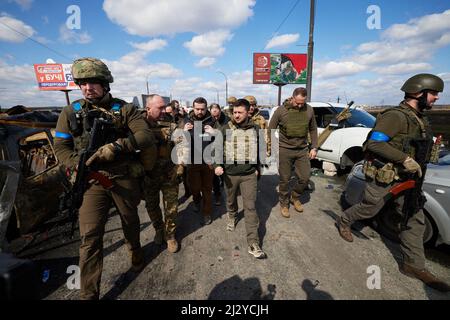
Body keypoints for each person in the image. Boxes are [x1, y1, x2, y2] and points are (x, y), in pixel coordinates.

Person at [337, 74, 450, 292]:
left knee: (413, 219)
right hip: (387, 176)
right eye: (434, 93)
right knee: (370, 208)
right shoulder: (395, 116)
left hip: (410, 180)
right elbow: (374, 144)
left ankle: (413, 265)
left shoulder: (420, 118)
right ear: (419, 93)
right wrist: (404, 159)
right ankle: (344, 219)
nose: (436, 98)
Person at [54, 58, 154, 300]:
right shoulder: (70, 112)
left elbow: (145, 135)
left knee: (130, 221)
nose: (88, 88)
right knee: (89, 238)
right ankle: (89, 294)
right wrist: (77, 166)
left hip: (122, 178)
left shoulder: (124, 109)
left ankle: (135, 250)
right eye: (83, 83)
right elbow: (61, 147)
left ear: (106, 84)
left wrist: (119, 146)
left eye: (94, 83)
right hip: (91, 182)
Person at [213, 98, 266, 259]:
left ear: (248, 112)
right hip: (230, 174)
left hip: (249, 174)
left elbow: (260, 150)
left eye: (239, 112)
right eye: (234, 112)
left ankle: (253, 243)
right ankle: (232, 215)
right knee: (230, 200)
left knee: (250, 207)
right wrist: (217, 165)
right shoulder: (225, 129)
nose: (236, 115)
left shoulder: (256, 129)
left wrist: (258, 169)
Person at [142, 95, 184, 253]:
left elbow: (183, 145)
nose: (163, 110)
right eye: (159, 108)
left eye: (164, 106)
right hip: (148, 176)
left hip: (168, 173)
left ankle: (170, 235)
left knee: (171, 208)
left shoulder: (171, 124)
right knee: (152, 206)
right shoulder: (138, 125)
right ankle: (159, 230)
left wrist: (180, 166)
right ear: (148, 109)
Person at [268, 87, 318, 218]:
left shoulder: (309, 110)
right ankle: (284, 203)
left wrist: (314, 147)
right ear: (292, 97)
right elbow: (271, 129)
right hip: (284, 149)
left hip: (302, 150)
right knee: (284, 179)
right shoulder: (281, 110)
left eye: (302, 103)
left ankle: (294, 197)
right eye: (297, 102)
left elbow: (313, 129)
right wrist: (274, 148)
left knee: (305, 177)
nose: (300, 105)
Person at [181, 97, 216, 225]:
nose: (200, 111)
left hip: (208, 163)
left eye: (202, 109)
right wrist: (183, 132)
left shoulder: (212, 121)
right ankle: (196, 200)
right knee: (194, 187)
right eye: (197, 109)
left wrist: (215, 133)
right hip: (192, 162)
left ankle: (207, 212)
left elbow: (223, 138)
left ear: (206, 108)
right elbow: (176, 140)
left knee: (207, 189)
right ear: (193, 108)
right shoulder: (186, 121)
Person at [209, 103, 230, 205]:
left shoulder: (227, 120)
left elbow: (229, 134)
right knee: (214, 176)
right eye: (213, 115)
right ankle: (217, 195)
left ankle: (228, 193)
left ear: (220, 111)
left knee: (224, 173)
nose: (215, 117)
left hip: (224, 150)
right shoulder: (209, 120)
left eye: (217, 114)